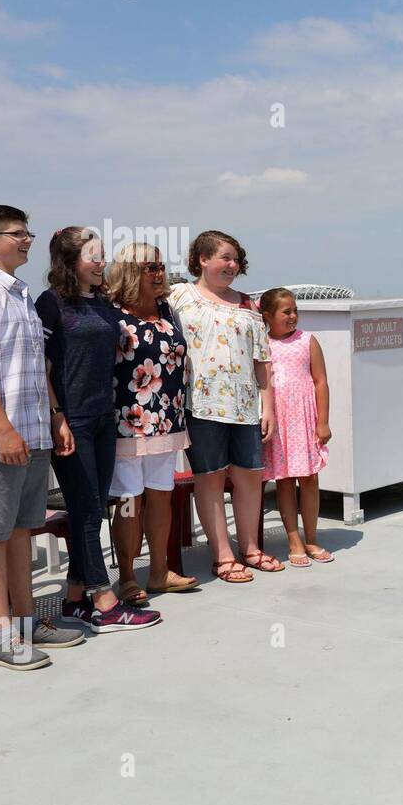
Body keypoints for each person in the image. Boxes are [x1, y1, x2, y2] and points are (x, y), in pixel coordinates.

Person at [0, 205, 84, 670]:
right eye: (18, 233)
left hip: (31, 434)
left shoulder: (21, 294)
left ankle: (28, 622)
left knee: (23, 529)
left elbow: (34, 366)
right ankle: (1, 636)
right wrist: (4, 430)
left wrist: (54, 417)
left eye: (28, 233)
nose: (28, 240)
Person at [37, 227, 160, 633]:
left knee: (92, 509)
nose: (101, 262)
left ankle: (75, 600)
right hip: (72, 422)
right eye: (93, 256)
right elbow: (43, 367)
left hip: (105, 418)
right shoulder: (52, 304)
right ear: (69, 261)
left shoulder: (104, 303)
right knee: (88, 509)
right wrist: (57, 417)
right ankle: (104, 602)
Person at [169, 230, 280, 583]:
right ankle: (222, 555)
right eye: (225, 258)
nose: (232, 266)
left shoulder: (249, 304)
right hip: (201, 406)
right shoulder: (179, 296)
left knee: (250, 477)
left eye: (236, 259)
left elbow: (262, 360)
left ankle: (250, 548)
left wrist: (269, 407)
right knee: (211, 477)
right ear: (202, 259)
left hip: (246, 406)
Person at [105, 241, 197, 609]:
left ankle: (159, 570)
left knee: (160, 495)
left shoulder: (167, 311)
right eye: (149, 267)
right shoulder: (114, 316)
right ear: (130, 273)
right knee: (129, 500)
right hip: (127, 423)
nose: (159, 273)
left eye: (160, 266)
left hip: (168, 418)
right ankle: (126, 576)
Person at [259, 288, 333, 566]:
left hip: (305, 419)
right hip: (279, 421)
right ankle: (293, 538)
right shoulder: (263, 344)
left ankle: (312, 537)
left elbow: (320, 381)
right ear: (267, 316)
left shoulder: (307, 341)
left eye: (295, 310)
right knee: (285, 480)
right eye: (286, 312)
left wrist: (323, 421)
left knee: (310, 479)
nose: (293, 316)